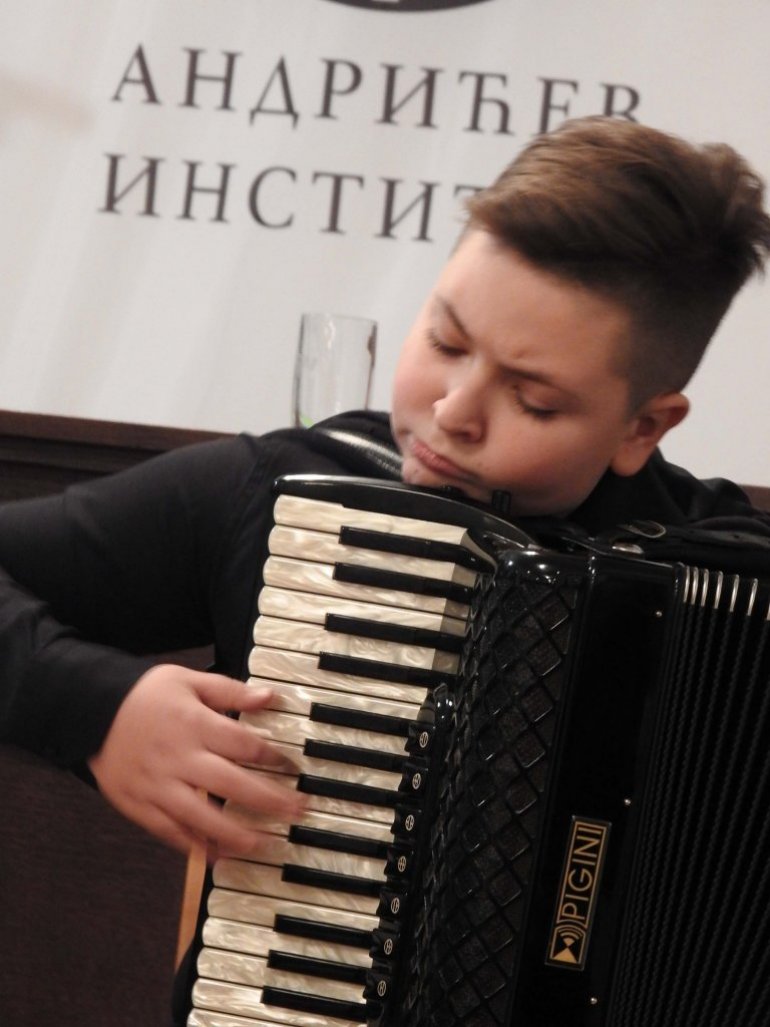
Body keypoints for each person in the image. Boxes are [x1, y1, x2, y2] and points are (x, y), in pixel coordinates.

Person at [1, 116, 770, 863]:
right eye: (445, 340)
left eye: (533, 399)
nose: (453, 411)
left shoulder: (728, 580)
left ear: (643, 427)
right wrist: (91, 703)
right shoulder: (279, 490)